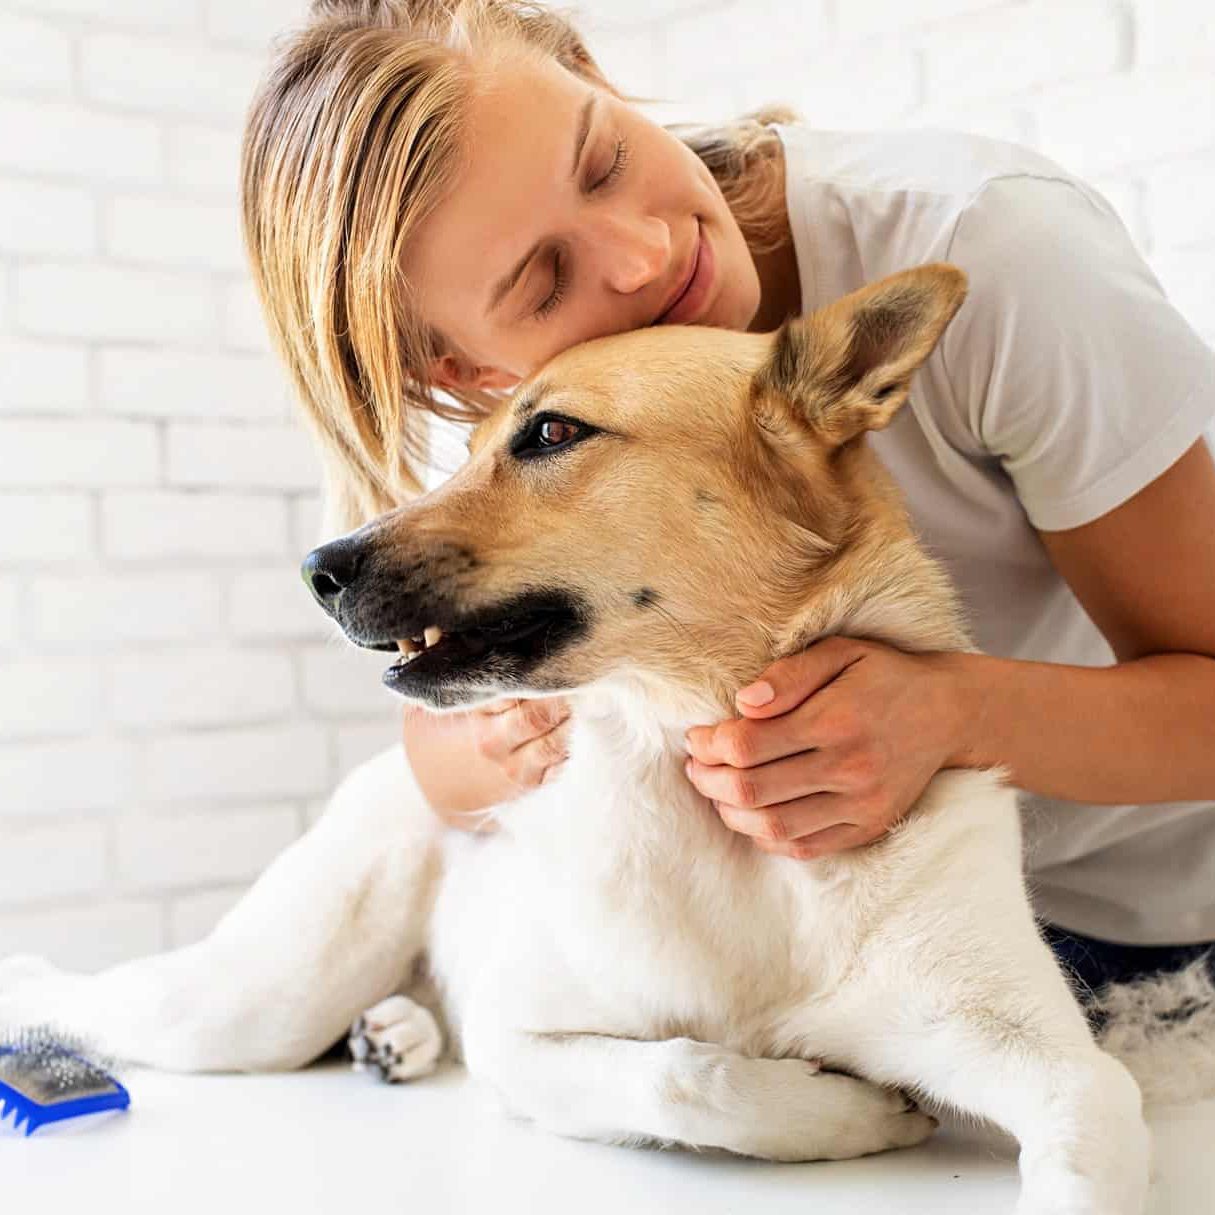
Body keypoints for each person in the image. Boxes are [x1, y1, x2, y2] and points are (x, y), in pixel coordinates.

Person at [240, 0, 1215, 1003]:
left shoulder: (995, 245)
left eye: (604, 160)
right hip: (824, 969)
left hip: (1139, 938)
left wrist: (954, 713)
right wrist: (500, 734)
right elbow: (434, 763)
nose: (645, 254)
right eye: (541, 283)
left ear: (598, 78)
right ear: (468, 368)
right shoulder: (534, 412)